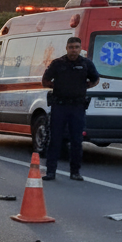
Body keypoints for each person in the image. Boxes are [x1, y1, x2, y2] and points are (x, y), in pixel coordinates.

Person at [41, 36, 100, 180]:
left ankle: (75, 172)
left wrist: (84, 87)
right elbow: (45, 81)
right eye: (71, 47)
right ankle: (50, 172)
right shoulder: (58, 64)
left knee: (76, 140)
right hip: (59, 106)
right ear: (66, 48)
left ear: (80, 49)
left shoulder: (86, 64)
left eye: (76, 47)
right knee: (55, 140)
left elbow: (95, 79)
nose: (74, 50)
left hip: (77, 107)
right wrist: (60, 87)